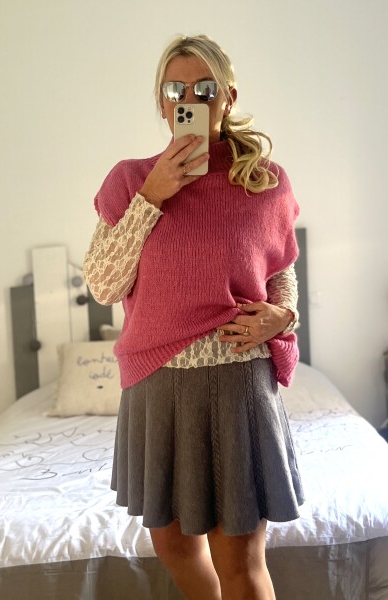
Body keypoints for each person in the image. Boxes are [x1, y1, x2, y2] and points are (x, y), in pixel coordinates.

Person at [83, 34, 304, 600]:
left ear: (228, 97)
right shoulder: (130, 180)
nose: (189, 100)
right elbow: (104, 284)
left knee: (241, 564)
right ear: (161, 104)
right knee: (177, 550)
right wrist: (152, 196)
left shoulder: (265, 181)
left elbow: (281, 271)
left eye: (204, 89)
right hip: (156, 389)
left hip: (237, 383)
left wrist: (283, 317)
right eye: (175, 90)